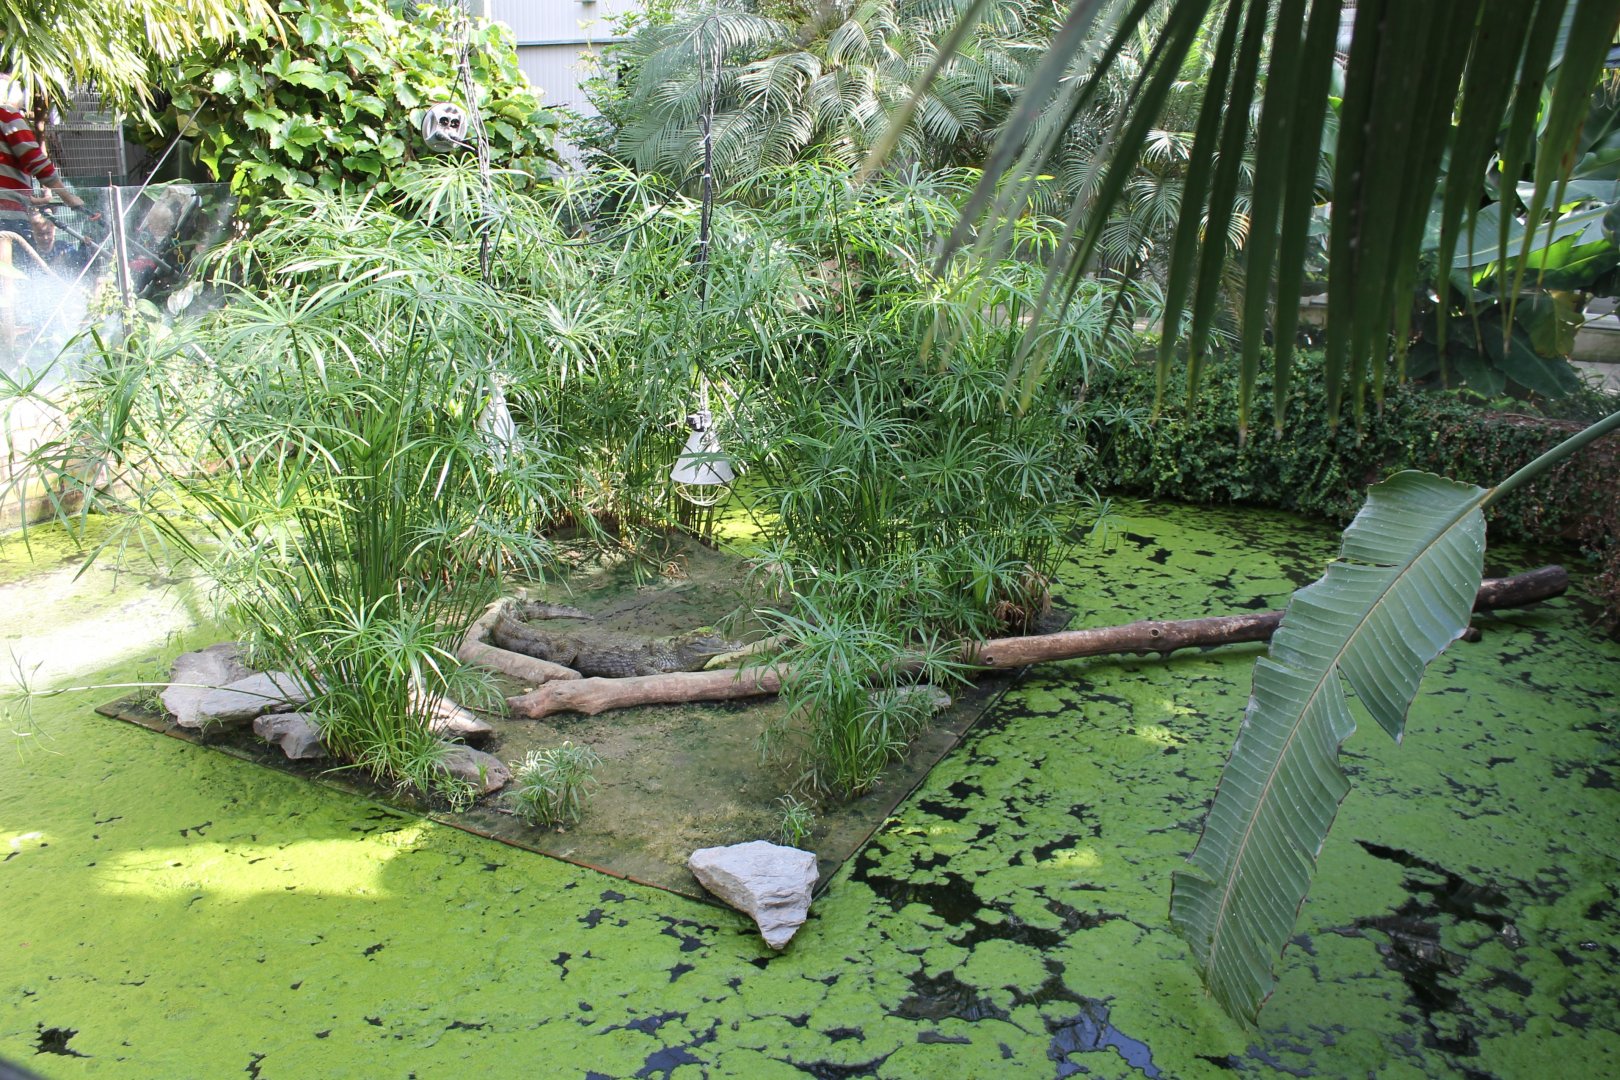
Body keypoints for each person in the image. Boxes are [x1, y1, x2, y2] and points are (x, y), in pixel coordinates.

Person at [1, 99, 85, 253]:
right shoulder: (6, 113)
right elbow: (35, 161)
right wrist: (67, 197)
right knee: (14, 273)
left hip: (9, 212)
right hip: (7, 218)